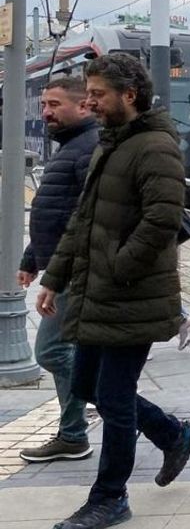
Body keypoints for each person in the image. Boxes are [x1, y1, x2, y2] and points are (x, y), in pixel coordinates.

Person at [37, 54, 190, 529]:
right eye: (87, 94)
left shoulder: (154, 146)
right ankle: (176, 435)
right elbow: (83, 220)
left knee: (113, 397)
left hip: (131, 294)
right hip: (98, 289)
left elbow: (162, 220)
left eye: (97, 94)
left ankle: (110, 497)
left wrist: (118, 267)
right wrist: (54, 276)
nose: (89, 102)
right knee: (87, 385)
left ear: (128, 97)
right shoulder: (110, 144)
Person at [17, 78, 98, 464]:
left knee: (51, 350)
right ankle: (74, 431)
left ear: (84, 106)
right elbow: (57, 212)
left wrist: (54, 274)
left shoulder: (87, 149)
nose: (45, 112)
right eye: (44, 104)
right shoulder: (72, 147)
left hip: (74, 270)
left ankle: (130, 413)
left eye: (53, 104)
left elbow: (83, 220)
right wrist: (32, 258)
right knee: (68, 350)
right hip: (62, 266)